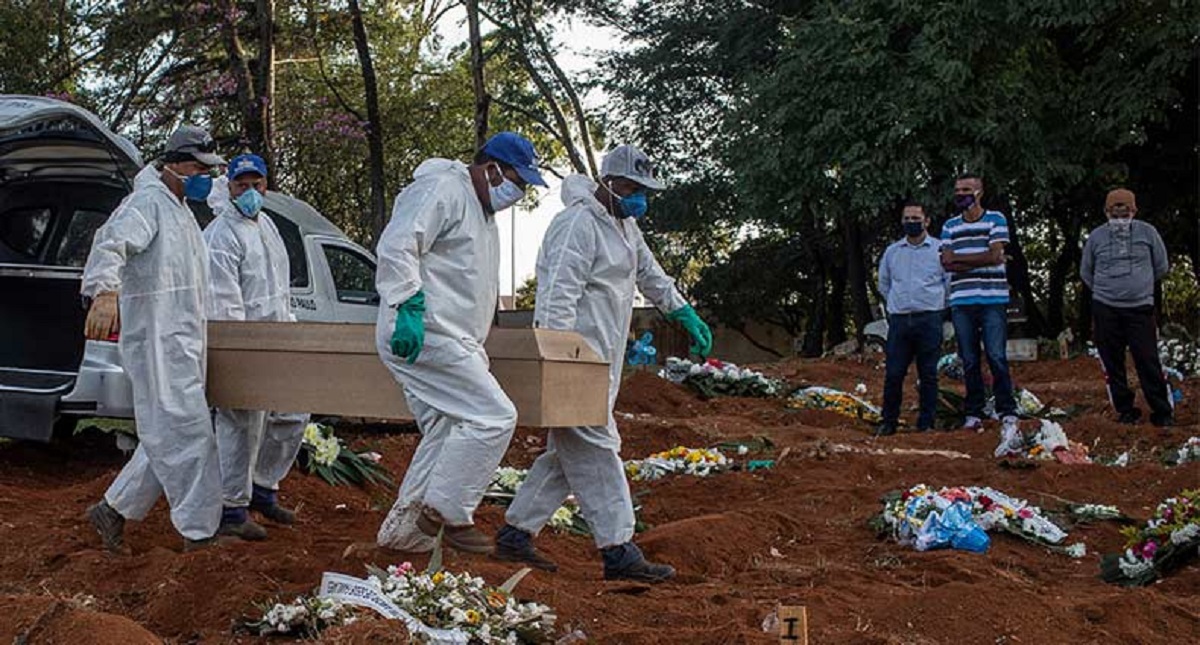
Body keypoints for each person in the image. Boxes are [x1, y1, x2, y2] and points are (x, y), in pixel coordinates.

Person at [493, 145, 714, 583]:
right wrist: (557, 360)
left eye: (644, 190)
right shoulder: (577, 224)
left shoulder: (625, 226)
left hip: (602, 363)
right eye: (632, 188)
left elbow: (650, 275)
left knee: (565, 455)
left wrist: (681, 310)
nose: (639, 199)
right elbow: (557, 297)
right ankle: (618, 549)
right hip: (573, 361)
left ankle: (514, 534)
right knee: (598, 448)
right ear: (608, 182)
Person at [374, 132, 546, 554]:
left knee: (447, 426)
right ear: (491, 168)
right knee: (494, 416)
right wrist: (408, 303)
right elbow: (399, 244)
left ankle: (403, 538)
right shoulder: (443, 188)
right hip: (424, 330)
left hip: (453, 336)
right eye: (515, 181)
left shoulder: (480, 210)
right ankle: (447, 512)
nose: (517, 193)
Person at [82, 125, 226, 552]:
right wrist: (105, 291)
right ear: (177, 165)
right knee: (188, 435)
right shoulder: (147, 203)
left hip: (181, 340)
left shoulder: (180, 209)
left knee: (167, 434)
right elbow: (110, 244)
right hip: (158, 342)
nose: (207, 177)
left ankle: (112, 510)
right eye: (200, 168)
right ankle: (200, 536)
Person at [203, 154, 310, 540]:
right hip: (244, 343)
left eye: (257, 184)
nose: (250, 191)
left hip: (278, 338)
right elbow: (224, 304)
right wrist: (243, 351)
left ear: (267, 184)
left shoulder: (267, 225)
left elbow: (279, 289)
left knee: (293, 412)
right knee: (241, 424)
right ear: (229, 186)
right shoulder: (220, 235)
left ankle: (264, 487)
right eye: (241, 185)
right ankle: (231, 509)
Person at [940, 173, 1020, 451]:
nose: (960, 194)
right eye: (957, 189)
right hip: (962, 301)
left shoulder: (995, 219)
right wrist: (983, 258)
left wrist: (961, 260)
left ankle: (1006, 409)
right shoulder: (949, 225)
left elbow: (996, 254)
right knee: (969, 359)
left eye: (966, 189)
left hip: (993, 299)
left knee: (997, 356)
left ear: (980, 192)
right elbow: (947, 263)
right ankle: (974, 412)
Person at [1081, 188, 1173, 427]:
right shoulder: (1096, 237)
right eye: (1115, 214)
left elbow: (1161, 266)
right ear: (1106, 212)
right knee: (1112, 362)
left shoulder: (1148, 233)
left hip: (1140, 308)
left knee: (1148, 360)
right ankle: (1125, 410)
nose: (1120, 219)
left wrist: (1138, 287)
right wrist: (1108, 291)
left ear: (1134, 211)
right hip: (1106, 308)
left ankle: (1162, 412)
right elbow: (1086, 272)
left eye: (1125, 213)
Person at [875, 201, 946, 436]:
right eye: (907, 218)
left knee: (928, 374)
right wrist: (898, 304)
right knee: (894, 373)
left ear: (926, 221)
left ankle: (926, 423)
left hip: (929, 319)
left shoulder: (940, 249)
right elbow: (884, 284)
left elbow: (950, 282)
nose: (911, 222)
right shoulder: (892, 252)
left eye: (916, 218)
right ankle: (889, 422)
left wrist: (936, 306)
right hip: (900, 321)